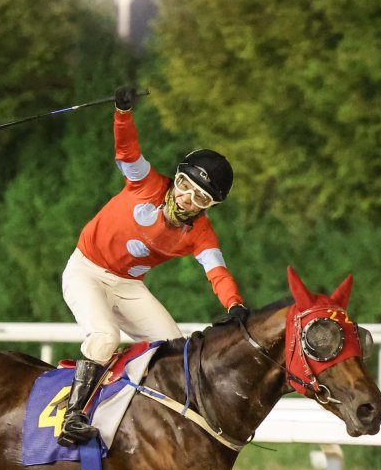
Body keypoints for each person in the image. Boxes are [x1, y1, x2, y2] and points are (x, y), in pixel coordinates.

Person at [59, 85, 248, 446]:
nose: (187, 199)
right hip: (85, 271)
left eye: (200, 198)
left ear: (209, 207)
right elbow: (127, 149)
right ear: (176, 177)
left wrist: (234, 305)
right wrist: (123, 113)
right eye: (185, 186)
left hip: (128, 286)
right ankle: (73, 416)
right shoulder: (145, 183)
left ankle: (155, 425)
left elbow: (217, 273)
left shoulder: (201, 233)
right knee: (105, 337)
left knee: (176, 351)